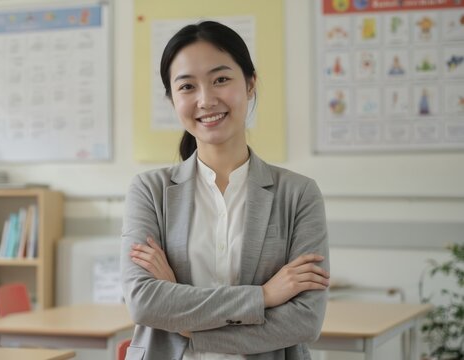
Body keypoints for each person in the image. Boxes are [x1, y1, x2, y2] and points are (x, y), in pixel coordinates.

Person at [120, 21, 329, 360]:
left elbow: (305, 321)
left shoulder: (298, 194)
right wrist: (262, 296)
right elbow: (144, 302)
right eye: (187, 86)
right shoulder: (149, 191)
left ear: (249, 84)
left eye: (221, 79)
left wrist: (185, 322)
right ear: (172, 99)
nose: (206, 100)